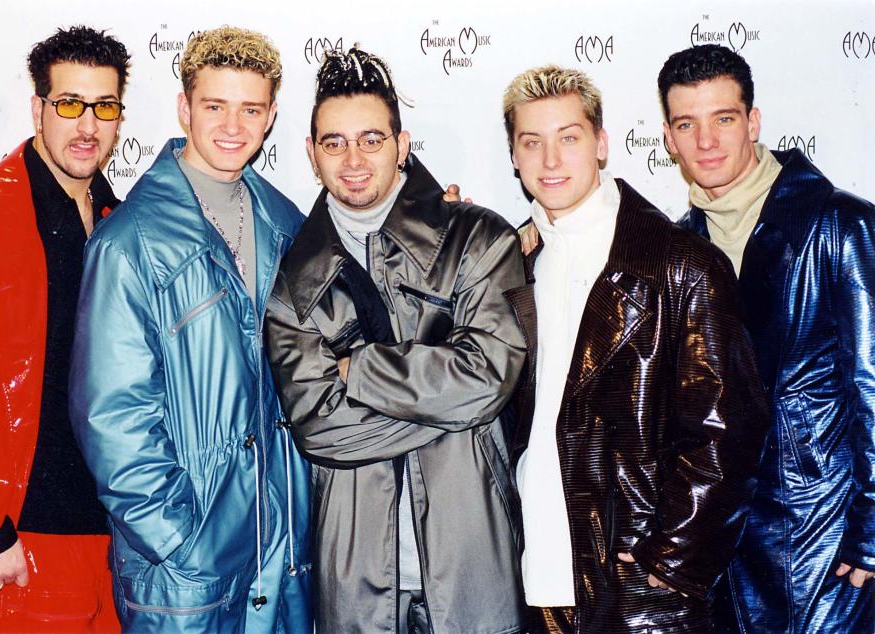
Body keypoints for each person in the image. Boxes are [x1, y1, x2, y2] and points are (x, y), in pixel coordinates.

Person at [264, 47, 527, 634]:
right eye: (333, 143)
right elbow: (318, 426)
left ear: (401, 145)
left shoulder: (479, 238)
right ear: (311, 154)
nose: (353, 159)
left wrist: (358, 372)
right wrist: (449, 398)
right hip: (354, 572)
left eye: (371, 140)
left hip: (472, 557)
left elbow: (488, 379)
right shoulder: (292, 278)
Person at [505, 64, 769, 633]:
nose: (551, 161)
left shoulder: (682, 264)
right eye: (533, 142)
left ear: (600, 144)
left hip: (642, 596)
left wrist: (671, 560)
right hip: (536, 582)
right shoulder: (514, 264)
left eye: (568, 138)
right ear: (514, 157)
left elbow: (730, 430)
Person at [69, 26, 311, 632]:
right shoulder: (128, 243)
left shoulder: (288, 225)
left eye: (250, 109)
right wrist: (180, 540)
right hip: (182, 568)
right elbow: (112, 416)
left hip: (279, 550)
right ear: (184, 108)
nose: (233, 126)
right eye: (214, 106)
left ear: (272, 115)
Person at [0, 25, 128, 632]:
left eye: (105, 107)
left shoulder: (117, 223)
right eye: (69, 104)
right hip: (23, 545)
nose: (87, 125)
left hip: (109, 541)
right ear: (39, 108)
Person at [658, 43, 875, 633]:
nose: (706, 142)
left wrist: (872, 530)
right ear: (669, 138)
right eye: (687, 124)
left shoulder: (839, 224)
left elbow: (872, 386)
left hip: (824, 542)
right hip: (725, 556)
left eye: (723, 119)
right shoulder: (679, 252)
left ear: (753, 123)